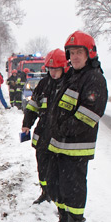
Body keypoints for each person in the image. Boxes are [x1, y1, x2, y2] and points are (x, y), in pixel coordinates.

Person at [44, 31, 108, 222]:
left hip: (77, 146)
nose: (75, 56)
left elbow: (89, 114)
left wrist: (63, 128)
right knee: (58, 184)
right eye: (72, 53)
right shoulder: (72, 76)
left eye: (79, 52)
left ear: (89, 53)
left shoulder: (94, 79)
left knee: (74, 187)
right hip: (60, 145)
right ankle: (64, 219)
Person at [21, 49, 69, 204]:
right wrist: (26, 124)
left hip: (59, 136)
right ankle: (45, 192)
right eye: (50, 69)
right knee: (42, 166)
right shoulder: (43, 84)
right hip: (43, 133)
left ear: (64, 68)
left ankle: (57, 196)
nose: (53, 73)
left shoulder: (69, 85)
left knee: (55, 171)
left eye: (56, 69)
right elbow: (33, 106)